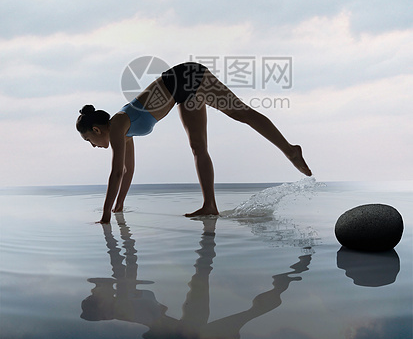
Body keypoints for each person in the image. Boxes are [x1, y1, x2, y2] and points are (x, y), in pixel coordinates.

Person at [76, 62, 311, 223]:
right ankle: (210, 205)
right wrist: (119, 205)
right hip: (181, 94)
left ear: (96, 129)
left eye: (89, 140)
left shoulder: (118, 124)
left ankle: (290, 150)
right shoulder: (124, 131)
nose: (93, 145)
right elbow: (128, 171)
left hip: (185, 77)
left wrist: (105, 214)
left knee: (240, 113)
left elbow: (116, 172)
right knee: (198, 146)